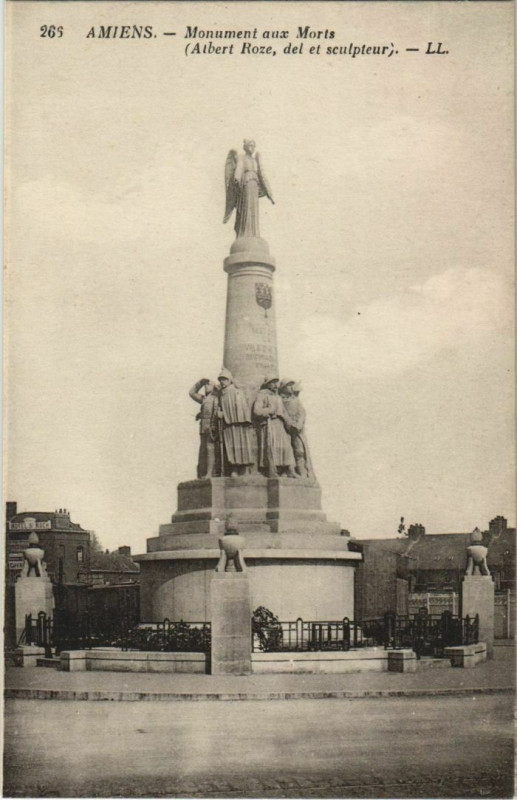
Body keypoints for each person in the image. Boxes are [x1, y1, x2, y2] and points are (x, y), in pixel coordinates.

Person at [223, 140, 274, 239]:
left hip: (255, 185)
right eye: (250, 145)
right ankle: (244, 233)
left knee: (253, 209)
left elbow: (262, 174)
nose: (252, 148)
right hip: (246, 184)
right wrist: (237, 178)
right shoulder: (242, 157)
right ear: (245, 147)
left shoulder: (255, 160)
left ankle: (254, 233)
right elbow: (239, 168)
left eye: (254, 146)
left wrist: (269, 194)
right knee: (246, 207)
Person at [253, 375, 297, 478]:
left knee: (286, 447)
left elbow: (284, 412)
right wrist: (269, 410)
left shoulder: (278, 397)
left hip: (280, 424)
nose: (275, 385)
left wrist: (290, 423)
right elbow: (256, 410)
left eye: (276, 382)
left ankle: (288, 470)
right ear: (267, 384)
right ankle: (272, 470)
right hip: (270, 423)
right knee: (271, 447)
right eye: (272, 382)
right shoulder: (262, 395)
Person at [217, 368, 254, 477]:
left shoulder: (236, 391)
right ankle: (234, 468)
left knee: (243, 445)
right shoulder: (221, 393)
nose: (222, 382)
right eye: (221, 380)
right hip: (228, 424)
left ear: (229, 380)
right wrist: (220, 412)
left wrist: (243, 419)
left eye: (224, 379)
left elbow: (242, 407)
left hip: (239, 424)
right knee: (231, 447)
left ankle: (245, 469)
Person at [279, 380, 314, 479]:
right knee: (286, 450)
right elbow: (282, 413)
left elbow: (302, 413)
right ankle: (287, 471)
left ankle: (302, 472)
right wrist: (289, 423)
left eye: (291, 385)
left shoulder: (296, 400)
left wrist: (299, 424)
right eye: (288, 385)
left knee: (300, 451)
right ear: (283, 387)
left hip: (298, 429)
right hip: (286, 428)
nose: (291, 388)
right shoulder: (280, 400)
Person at [189, 378, 220, 479]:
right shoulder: (204, 399)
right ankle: (203, 472)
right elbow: (192, 393)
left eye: (208, 384)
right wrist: (200, 383)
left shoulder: (216, 398)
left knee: (210, 448)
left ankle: (210, 473)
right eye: (205, 385)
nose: (206, 386)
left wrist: (213, 426)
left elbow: (216, 412)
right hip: (203, 427)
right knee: (203, 450)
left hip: (211, 426)